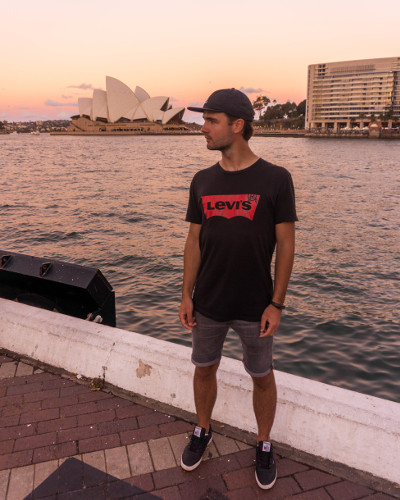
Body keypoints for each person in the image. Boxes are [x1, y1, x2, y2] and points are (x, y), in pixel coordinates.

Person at [178, 88, 297, 490]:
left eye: (211, 120)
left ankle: (263, 443)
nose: (203, 128)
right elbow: (193, 241)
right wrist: (186, 294)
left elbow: (286, 244)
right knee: (204, 368)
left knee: (262, 375)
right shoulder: (202, 180)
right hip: (208, 301)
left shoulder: (276, 178)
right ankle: (202, 429)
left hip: (255, 304)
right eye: (204, 120)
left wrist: (276, 303)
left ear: (238, 125)